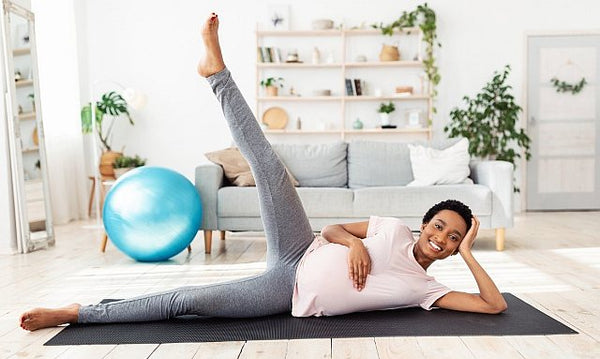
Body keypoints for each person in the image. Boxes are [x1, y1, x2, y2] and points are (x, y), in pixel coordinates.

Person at [19, 13, 506, 332]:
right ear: (426, 223)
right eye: (440, 225)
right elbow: (333, 229)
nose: (442, 236)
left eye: (453, 236)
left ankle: (78, 314)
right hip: (301, 246)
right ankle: (216, 73)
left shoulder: (430, 290)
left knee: (186, 301)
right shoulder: (393, 228)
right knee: (271, 168)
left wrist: (468, 254)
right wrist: (355, 243)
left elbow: (493, 306)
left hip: (284, 290)